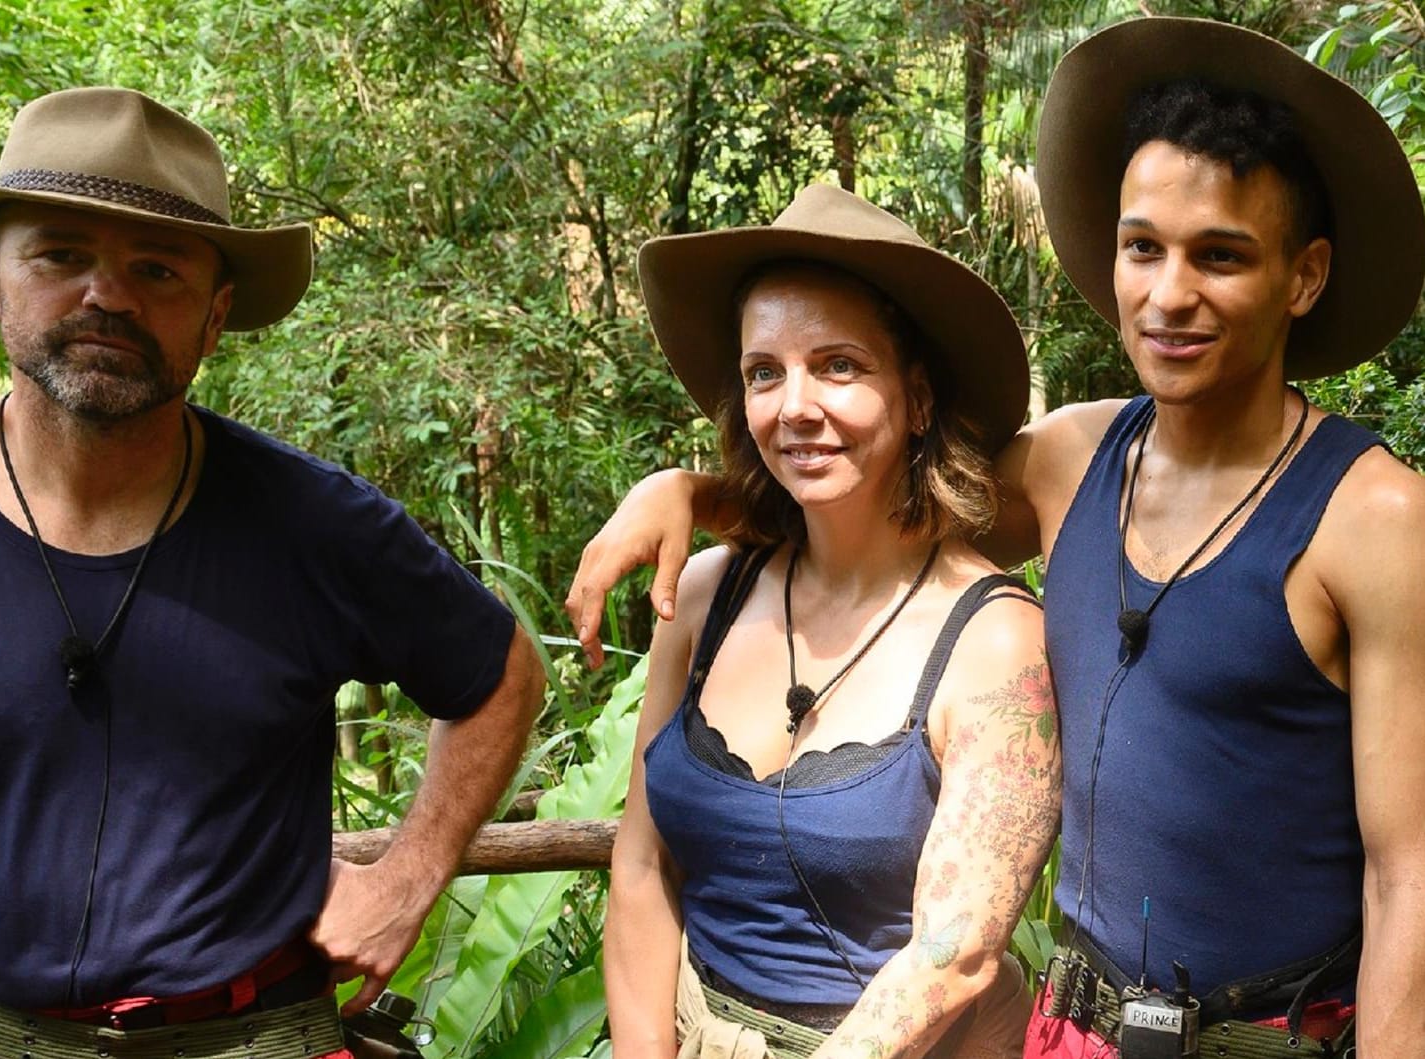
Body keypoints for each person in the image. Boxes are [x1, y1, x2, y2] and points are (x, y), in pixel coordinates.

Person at [568, 17, 1425, 1058]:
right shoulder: (1070, 458)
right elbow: (866, 511)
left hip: (1276, 1035)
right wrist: (690, 492)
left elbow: (1407, 875)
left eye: (1221, 256)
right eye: (1141, 248)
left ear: (1303, 275)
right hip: (1076, 1028)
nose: (1168, 294)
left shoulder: (1372, 519)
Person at [0, 86, 543, 1057]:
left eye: (157, 270)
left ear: (213, 320)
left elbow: (501, 671)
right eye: (62, 256)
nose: (109, 296)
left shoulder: (312, 524)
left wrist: (408, 878)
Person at [604, 184, 1060, 1059]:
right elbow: (640, 865)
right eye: (764, 372)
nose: (795, 405)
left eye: (839, 365)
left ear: (917, 396)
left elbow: (952, 953)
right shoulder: (706, 594)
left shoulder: (997, 640)